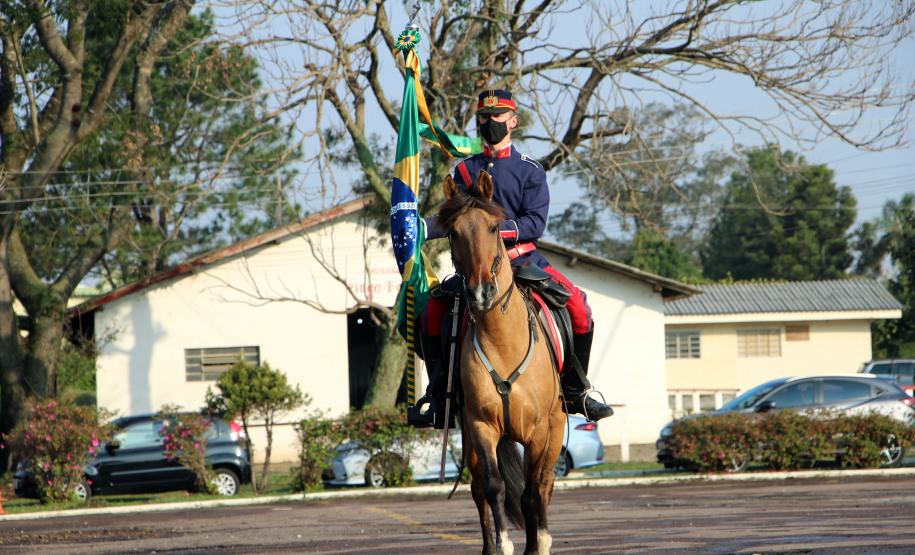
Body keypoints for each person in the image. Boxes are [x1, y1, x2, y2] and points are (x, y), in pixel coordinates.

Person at [410, 89, 614, 429]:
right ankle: (439, 395)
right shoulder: (464, 171)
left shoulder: (529, 170)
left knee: (579, 307)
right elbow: (450, 219)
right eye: (484, 117)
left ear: (513, 121)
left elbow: (535, 223)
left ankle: (576, 389)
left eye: (497, 116)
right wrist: (417, 228)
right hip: (477, 265)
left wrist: (492, 231)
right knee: (431, 313)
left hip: (523, 260)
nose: (490, 122)